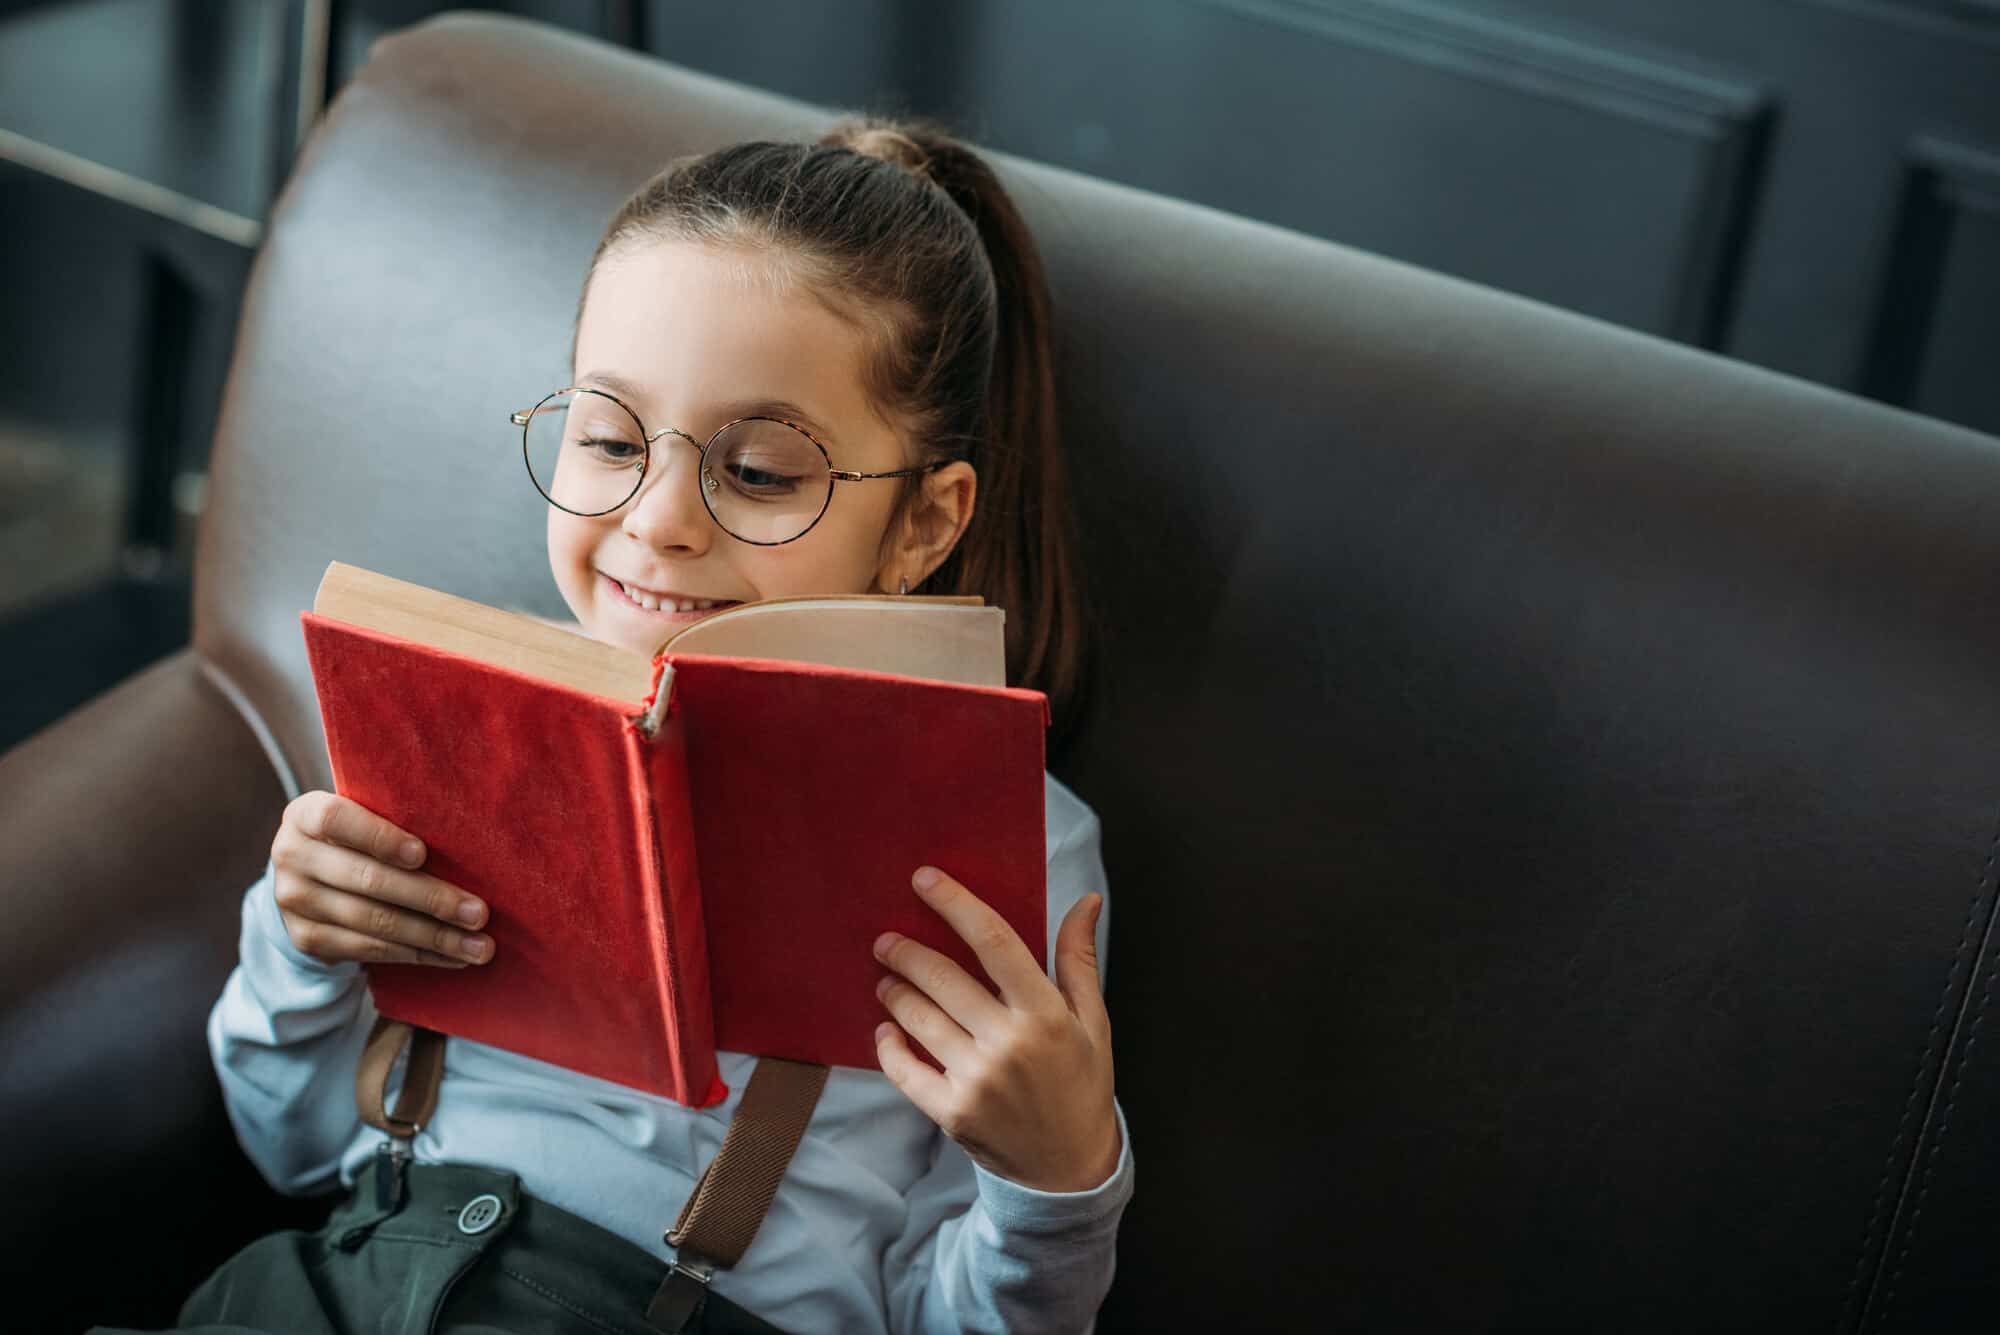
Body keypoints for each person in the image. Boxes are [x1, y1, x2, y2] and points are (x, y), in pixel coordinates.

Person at [103, 119, 1132, 1335]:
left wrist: (1055, 1177)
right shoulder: (459, 719)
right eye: (606, 440)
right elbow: (299, 1148)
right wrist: (297, 947)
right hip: (337, 1284)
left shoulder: (1007, 837)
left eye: (758, 472)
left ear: (921, 523)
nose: (657, 522)